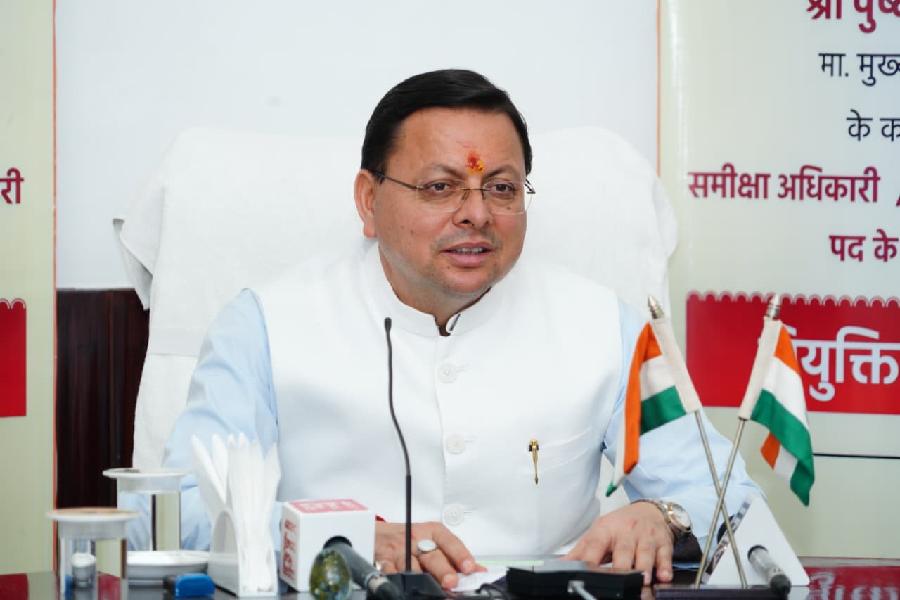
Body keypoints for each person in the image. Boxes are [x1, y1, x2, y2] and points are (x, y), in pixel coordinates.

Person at [131, 69, 759, 589]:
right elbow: (171, 514)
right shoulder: (266, 324)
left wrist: (661, 516)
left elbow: (726, 492)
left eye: (502, 188)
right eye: (440, 187)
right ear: (368, 200)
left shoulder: (605, 327)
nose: (477, 214)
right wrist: (342, 540)